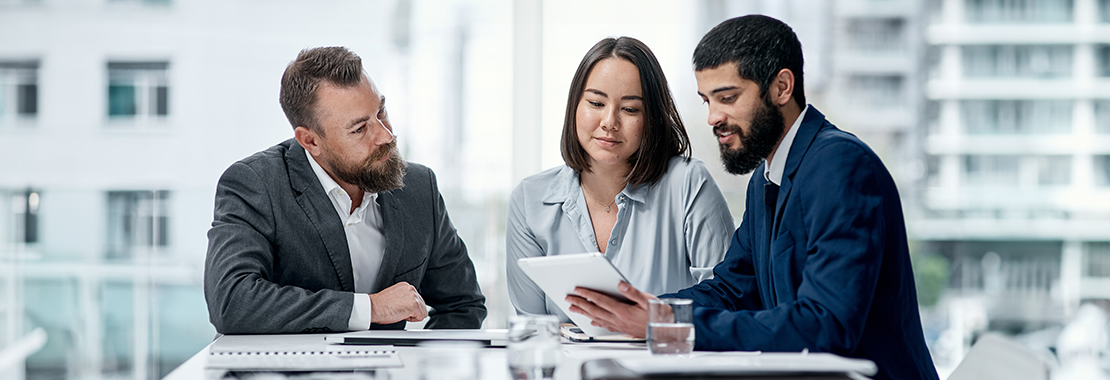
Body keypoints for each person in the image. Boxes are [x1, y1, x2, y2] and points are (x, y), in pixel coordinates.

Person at [565, 16, 939, 380]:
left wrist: (668, 323)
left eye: (727, 97)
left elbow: (826, 325)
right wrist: (649, 309)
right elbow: (732, 289)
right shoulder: (766, 177)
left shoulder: (839, 166)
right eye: (706, 100)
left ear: (781, 88)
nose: (713, 117)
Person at [204, 46, 486, 334]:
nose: (385, 136)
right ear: (310, 141)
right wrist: (371, 308)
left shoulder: (418, 186)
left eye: (381, 112)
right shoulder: (256, 184)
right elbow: (232, 301)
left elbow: (463, 306)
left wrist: (422, 366)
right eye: (360, 129)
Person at [506, 37, 734, 322]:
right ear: (574, 107)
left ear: (651, 117)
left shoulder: (688, 183)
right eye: (595, 103)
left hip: (667, 363)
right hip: (570, 366)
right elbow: (532, 327)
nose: (609, 121)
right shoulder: (530, 200)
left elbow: (727, 301)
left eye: (630, 109)